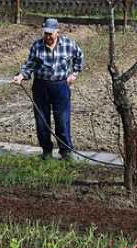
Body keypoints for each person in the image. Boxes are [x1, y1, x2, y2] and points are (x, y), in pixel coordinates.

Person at [12, 18, 84, 160]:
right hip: (40, 87)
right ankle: (46, 151)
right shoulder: (37, 46)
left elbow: (79, 58)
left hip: (60, 87)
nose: (48, 36)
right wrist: (21, 76)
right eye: (45, 33)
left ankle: (66, 152)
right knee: (42, 121)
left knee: (62, 120)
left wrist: (74, 74)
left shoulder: (68, 44)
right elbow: (29, 65)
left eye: (51, 33)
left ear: (58, 32)